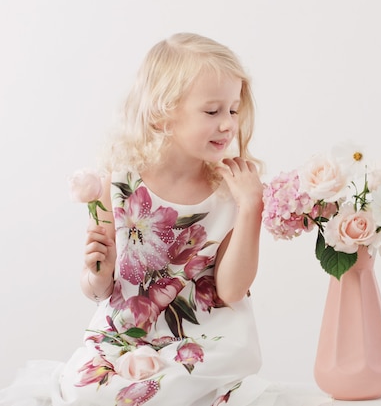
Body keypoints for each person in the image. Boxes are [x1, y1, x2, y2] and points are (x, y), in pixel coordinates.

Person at [0, 32, 271, 406]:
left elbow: (231, 291)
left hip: (202, 337)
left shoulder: (229, 191)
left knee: (208, 369)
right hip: (125, 335)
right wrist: (98, 273)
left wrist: (250, 207)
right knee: (85, 391)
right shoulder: (118, 184)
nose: (227, 124)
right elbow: (98, 290)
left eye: (233, 109)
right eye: (212, 111)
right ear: (163, 115)